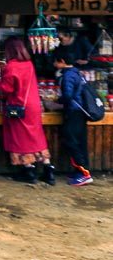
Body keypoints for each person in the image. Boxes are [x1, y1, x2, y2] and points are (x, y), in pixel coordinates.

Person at [0, 37, 55, 185]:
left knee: (20, 138)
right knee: (37, 136)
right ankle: (48, 170)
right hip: (34, 106)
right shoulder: (29, 64)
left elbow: (7, 89)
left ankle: (29, 171)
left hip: (18, 107)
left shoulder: (11, 67)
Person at [54, 52, 93, 187]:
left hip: (74, 112)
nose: (54, 65)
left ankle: (84, 174)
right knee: (80, 142)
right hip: (81, 112)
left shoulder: (68, 75)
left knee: (71, 141)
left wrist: (56, 101)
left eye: (56, 62)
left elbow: (68, 96)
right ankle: (81, 170)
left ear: (62, 61)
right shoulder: (76, 72)